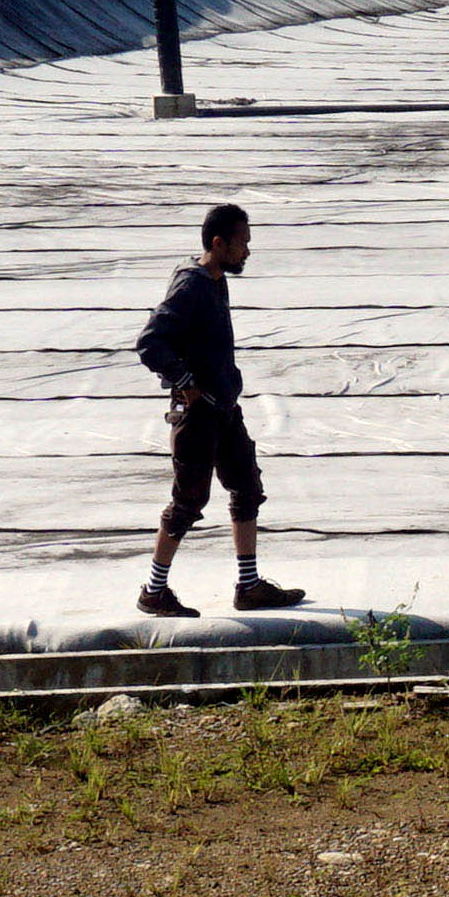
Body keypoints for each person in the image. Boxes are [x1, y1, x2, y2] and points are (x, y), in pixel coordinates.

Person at [134, 201, 303, 616]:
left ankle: (248, 587)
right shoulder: (192, 285)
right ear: (218, 243)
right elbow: (150, 342)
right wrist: (185, 382)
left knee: (246, 488)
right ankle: (154, 592)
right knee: (188, 503)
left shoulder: (215, 278)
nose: (247, 251)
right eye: (241, 243)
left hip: (224, 408)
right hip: (200, 415)